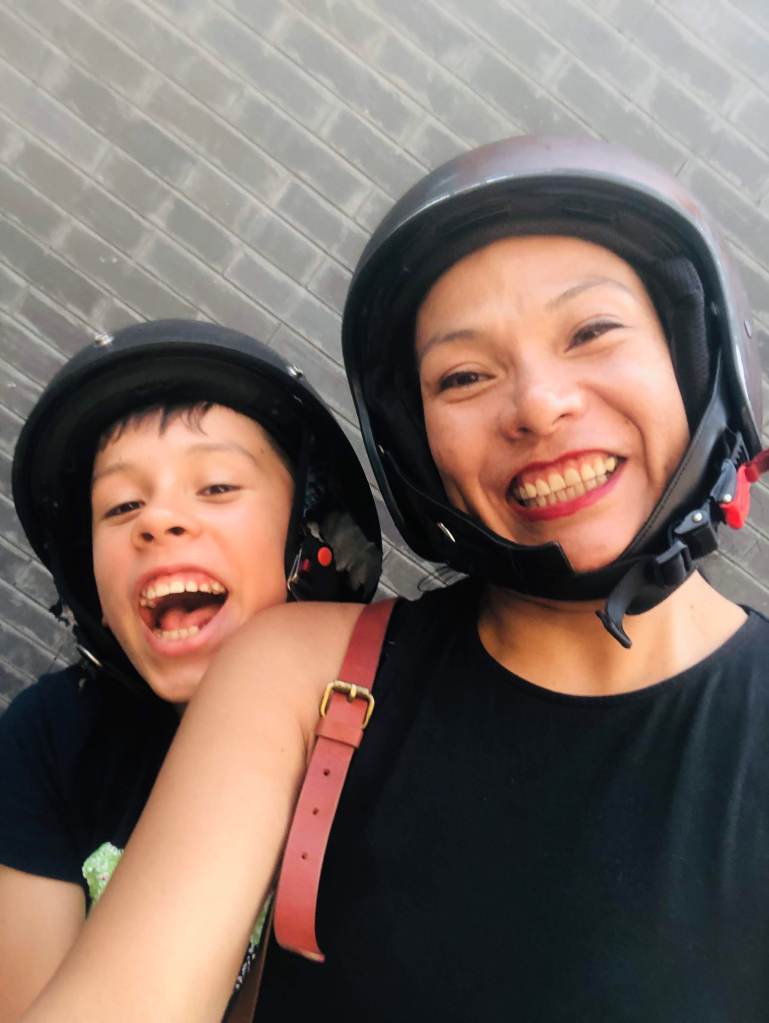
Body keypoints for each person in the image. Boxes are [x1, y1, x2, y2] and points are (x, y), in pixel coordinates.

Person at [18, 137, 769, 1022]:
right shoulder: (299, 674)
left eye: (590, 331)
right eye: (463, 375)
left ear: (694, 353)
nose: (537, 404)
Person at [0, 319, 381, 1020]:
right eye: (121, 505)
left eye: (216, 486)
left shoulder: (402, 727)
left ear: (312, 541)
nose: (157, 521)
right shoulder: (51, 736)